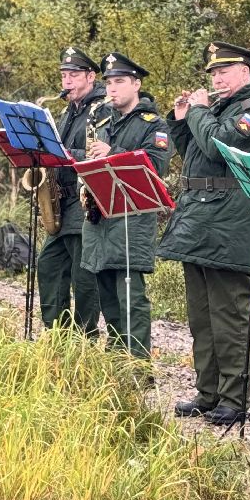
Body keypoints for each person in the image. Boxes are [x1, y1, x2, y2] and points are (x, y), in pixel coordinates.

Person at [162, 41, 250, 425]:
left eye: (222, 72)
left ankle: (233, 397)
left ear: (244, 72)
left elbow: (218, 149)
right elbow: (194, 153)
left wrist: (198, 111)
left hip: (229, 220)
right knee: (201, 316)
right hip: (198, 217)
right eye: (212, 74)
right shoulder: (218, 110)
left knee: (229, 314)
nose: (215, 79)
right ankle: (207, 391)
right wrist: (182, 119)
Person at [79, 52, 171, 359]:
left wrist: (112, 151)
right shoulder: (104, 120)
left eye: (119, 82)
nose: (112, 89)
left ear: (136, 84)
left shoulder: (153, 124)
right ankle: (117, 357)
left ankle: (138, 364)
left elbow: (157, 166)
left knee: (130, 295)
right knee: (107, 294)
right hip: (100, 216)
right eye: (109, 83)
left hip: (132, 218)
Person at [36, 47, 107, 336]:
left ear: (90, 76)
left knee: (83, 274)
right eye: (64, 75)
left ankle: (85, 336)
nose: (67, 81)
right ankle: (57, 334)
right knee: (49, 264)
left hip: (84, 198)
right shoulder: (68, 110)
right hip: (62, 200)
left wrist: (64, 153)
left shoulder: (100, 109)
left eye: (74, 75)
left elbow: (97, 154)